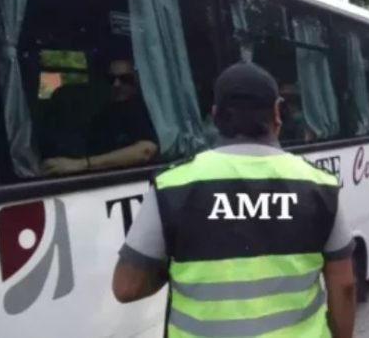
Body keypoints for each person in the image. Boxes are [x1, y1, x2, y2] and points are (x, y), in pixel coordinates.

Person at [111, 62, 356, 338]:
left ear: (215, 116)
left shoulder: (173, 185)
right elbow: (344, 284)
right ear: (277, 113)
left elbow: (126, 287)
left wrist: (177, 267)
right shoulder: (319, 185)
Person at [42, 58, 158, 175]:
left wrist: (82, 164)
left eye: (125, 79)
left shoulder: (149, 111)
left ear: (137, 81)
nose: (116, 84)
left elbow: (146, 151)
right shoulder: (101, 119)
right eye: (111, 80)